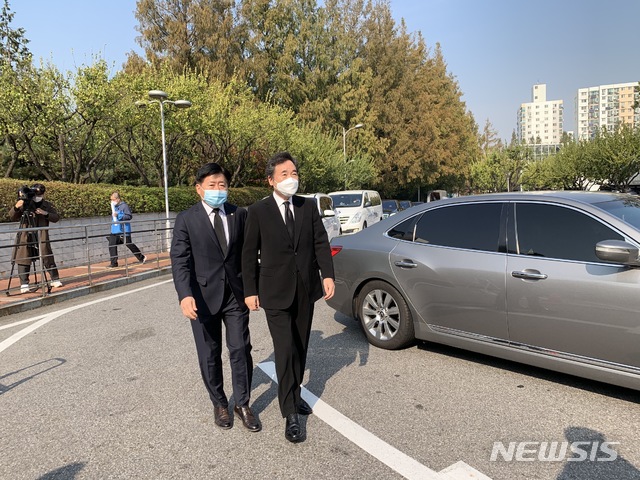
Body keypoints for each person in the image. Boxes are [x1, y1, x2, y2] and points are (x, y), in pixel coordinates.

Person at [242, 151, 335, 443]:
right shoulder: (258, 211)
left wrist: (327, 274)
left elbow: (321, 242)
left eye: (294, 173)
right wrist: (249, 290)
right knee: (284, 351)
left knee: (300, 347)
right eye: (284, 174)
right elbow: (248, 254)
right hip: (274, 291)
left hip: (305, 288)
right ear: (271, 180)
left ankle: (294, 395)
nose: (291, 178)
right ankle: (290, 412)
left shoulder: (307, 207)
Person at [170, 163, 259, 432]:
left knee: (241, 349)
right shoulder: (186, 219)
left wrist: (253, 290)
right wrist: (184, 295)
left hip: (235, 295)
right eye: (212, 185)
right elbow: (180, 260)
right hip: (202, 297)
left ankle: (242, 403)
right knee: (209, 354)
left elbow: (248, 255)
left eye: (222, 185)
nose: (217, 190)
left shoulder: (238, 214)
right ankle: (219, 402)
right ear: (199, 189)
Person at [9, 183, 63, 293]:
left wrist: (45, 213)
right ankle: (24, 283)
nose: (37, 196)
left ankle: (55, 278)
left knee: (46, 255)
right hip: (25, 234)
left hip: (41, 234)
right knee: (23, 257)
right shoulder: (25, 203)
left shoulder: (47, 205)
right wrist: (16, 207)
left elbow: (56, 217)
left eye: (40, 194)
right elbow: (12, 216)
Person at [108, 192, 146, 267]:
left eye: (113, 199)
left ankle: (141, 257)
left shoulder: (124, 206)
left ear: (118, 199)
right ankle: (114, 263)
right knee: (111, 245)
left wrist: (119, 215)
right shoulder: (114, 207)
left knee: (129, 244)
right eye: (111, 200)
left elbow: (129, 216)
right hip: (115, 230)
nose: (112, 201)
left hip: (124, 230)